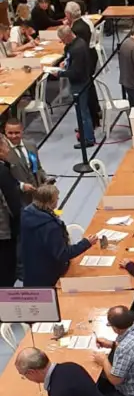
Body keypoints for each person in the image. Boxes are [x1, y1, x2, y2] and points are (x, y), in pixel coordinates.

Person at [20, 184, 95, 288]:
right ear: (50, 202)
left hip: (32, 273)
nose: (58, 200)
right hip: (50, 279)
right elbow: (63, 254)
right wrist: (86, 243)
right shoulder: (50, 226)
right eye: (56, 198)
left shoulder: (26, 215)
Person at [57, 24, 95, 148]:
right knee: (83, 111)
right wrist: (66, 62)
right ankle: (85, 133)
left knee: (83, 112)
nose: (62, 42)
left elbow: (76, 73)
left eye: (63, 40)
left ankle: (88, 139)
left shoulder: (77, 49)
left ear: (68, 36)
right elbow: (70, 60)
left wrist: (59, 73)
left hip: (80, 83)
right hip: (81, 81)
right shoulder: (76, 43)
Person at [4, 116, 52, 201]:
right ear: (5, 132)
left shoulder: (31, 145)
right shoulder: (4, 153)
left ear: (22, 131)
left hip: (38, 193)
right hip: (19, 198)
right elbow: (6, 181)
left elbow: (38, 167)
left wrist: (45, 178)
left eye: (17, 132)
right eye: (10, 133)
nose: (14, 136)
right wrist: (22, 186)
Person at [0, 132, 22, 286]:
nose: (8, 149)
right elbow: (13, 204)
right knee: (6, 273)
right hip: (4, 234)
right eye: (6, 145)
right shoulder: (2, 172)